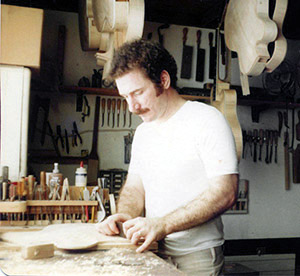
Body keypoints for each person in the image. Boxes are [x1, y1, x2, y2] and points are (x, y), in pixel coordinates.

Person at [96, 38, 239, 275]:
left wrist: (162, 224)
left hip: (197, 257)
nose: (132, 107)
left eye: (138, 93)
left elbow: (226, 192)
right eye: (125, 97)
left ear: (163, 80)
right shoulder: (143, 132)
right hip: (152, 249)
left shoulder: (206, 120)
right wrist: (124, 217)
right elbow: (134, 187)